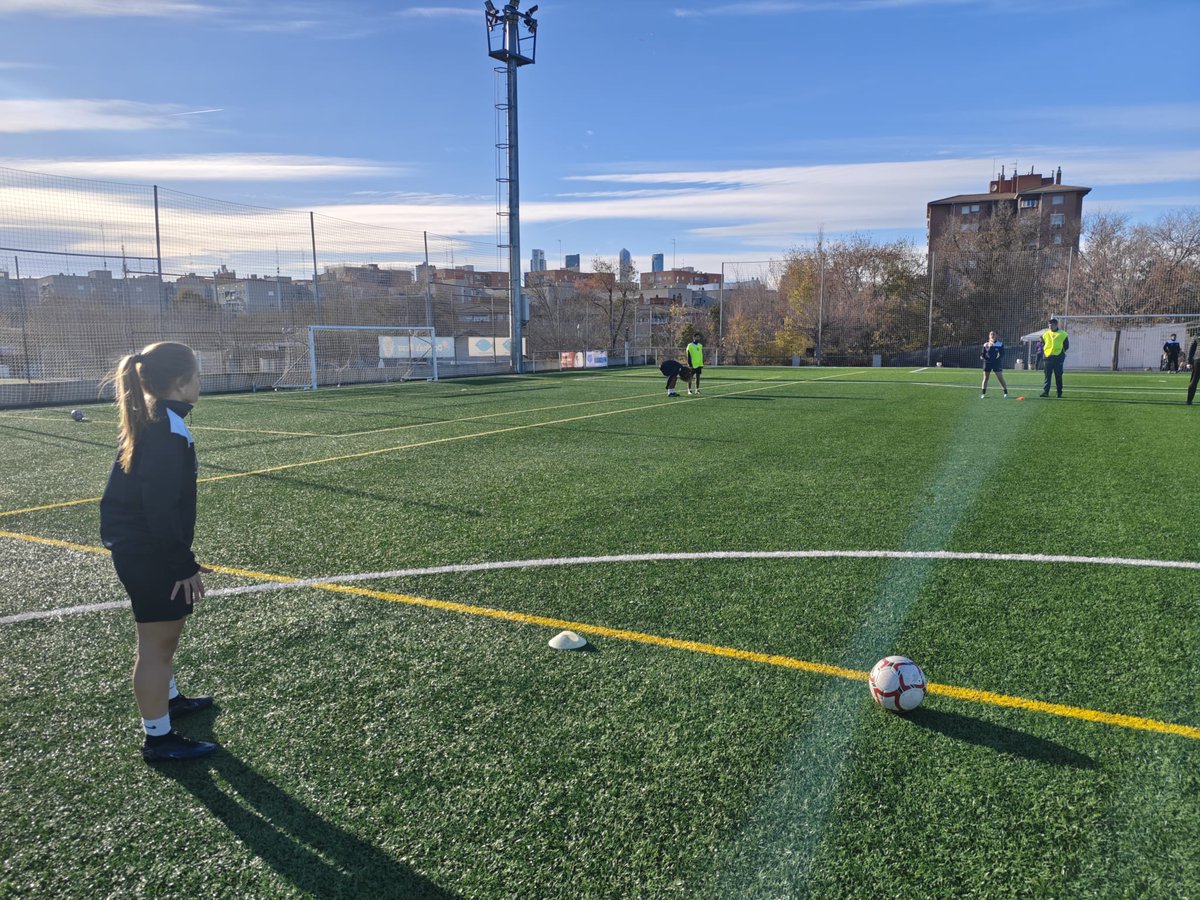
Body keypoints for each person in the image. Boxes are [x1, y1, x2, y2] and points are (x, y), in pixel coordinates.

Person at [100, 341, 218, 763]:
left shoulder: (159, 419)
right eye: (198, 376)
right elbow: (159, 506)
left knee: (162, 640)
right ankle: (158, 739)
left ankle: (169, 701)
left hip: (143, 548)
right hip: (147, 552)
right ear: (182, 383)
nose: (201, 383)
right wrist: (180, 563)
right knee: (156, 645)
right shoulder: (165, 429)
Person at [1039, 317, 1069, 398]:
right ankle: (1045, 392)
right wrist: (1045, 352)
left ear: (1056, 325)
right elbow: (1042, 344)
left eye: (1051, 325)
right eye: (1049, 325)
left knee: (1058, 375)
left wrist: (1060, 352)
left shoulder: (1063, 334)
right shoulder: (1045, 334)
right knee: (1047, 376)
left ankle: (1059, 392)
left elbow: (1066, 346)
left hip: (1058, 358)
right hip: (1048, 357)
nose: (1050, 327)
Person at [980, 331, 1009, 399]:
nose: (992, 335)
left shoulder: (999, 344)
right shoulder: (986, 344)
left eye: (994, 334)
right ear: (989, 336)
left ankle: (1005, 393)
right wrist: (983, 357)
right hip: (987, 363)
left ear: (996, 336)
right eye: (991, 334)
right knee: (985, 378)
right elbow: (982, 354)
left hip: (996, 363)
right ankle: (983, 393)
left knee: (1000, 378)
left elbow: (1002, 354)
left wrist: (997, 359)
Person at [1188, 338, 1199, 405]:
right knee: (1194, 380)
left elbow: (1192, 348)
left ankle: (1189, 400)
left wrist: (1190, 361)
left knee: (1194, 380)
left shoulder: (1197, 335)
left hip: (1198, 360)